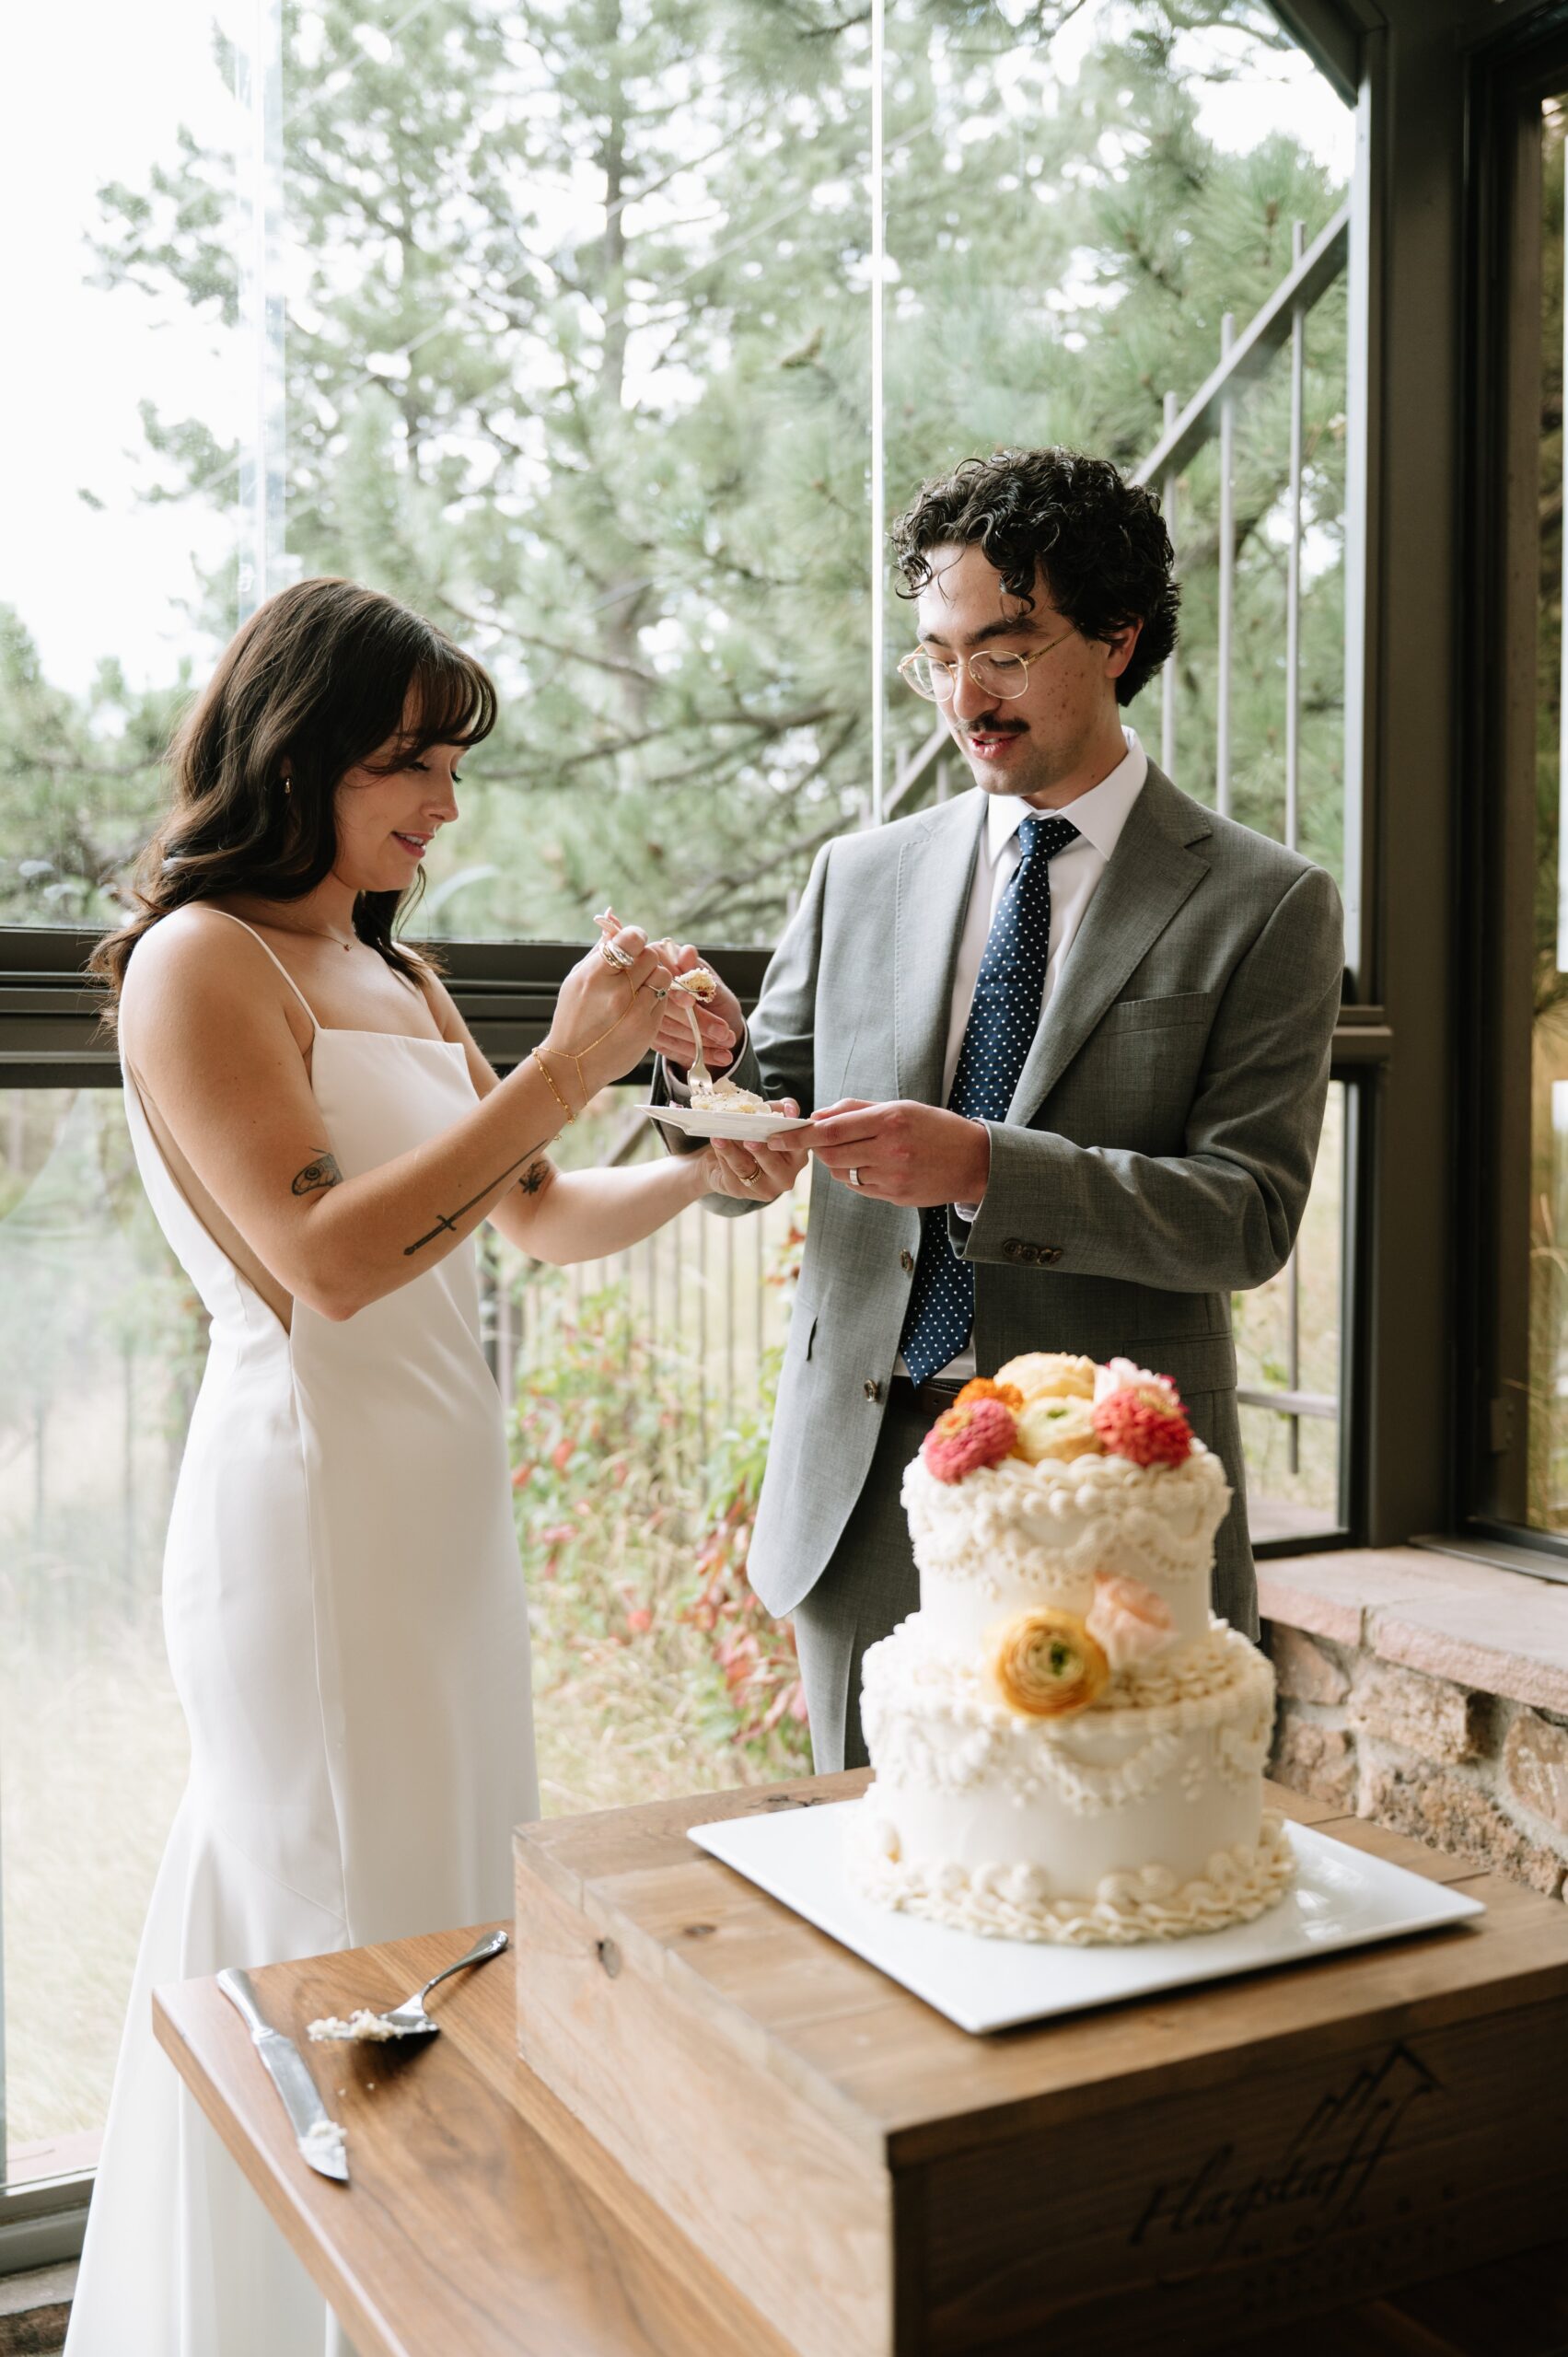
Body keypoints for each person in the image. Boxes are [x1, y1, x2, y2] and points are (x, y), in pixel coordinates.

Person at [65, 577, 793, 2357]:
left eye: (452, 770)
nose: (443, 808)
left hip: (437, 1510)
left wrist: (701, 1163)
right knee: (336, 1921)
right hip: (310, 1510)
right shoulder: (198, 960)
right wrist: (565, 1062)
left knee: (445, 1910)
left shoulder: (390, 967)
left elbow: (529, 1218)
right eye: (410, 765)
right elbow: (327, 1260)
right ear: (295, 749)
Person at [653, 447, 1344, 1771]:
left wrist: (984, 1165)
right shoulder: (856, 875)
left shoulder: (1265, 903)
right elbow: (763, 1104)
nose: (965, 698)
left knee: (1103, 1894)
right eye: (935, 656)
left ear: (1119, 637)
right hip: (861, 1491)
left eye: (1007, 651)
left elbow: (1246, 1218)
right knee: (876, 1889)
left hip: (1110, 1497)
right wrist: (707, 1085)